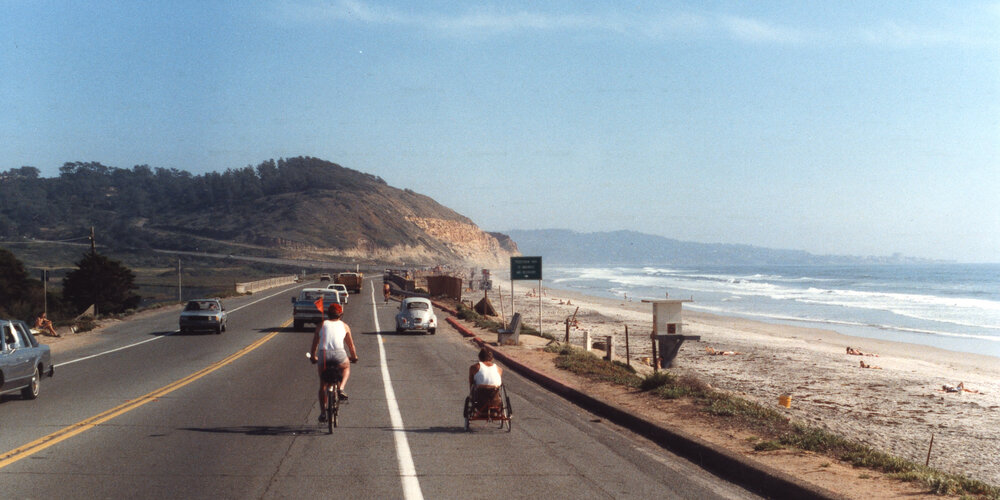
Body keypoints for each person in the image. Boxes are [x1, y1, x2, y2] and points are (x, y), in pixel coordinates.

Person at [310, 303, 358, 422]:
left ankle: (322, 413)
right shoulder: (345, 326)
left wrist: (313, 357)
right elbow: (351, 346)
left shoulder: (321, 325)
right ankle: (341, 388)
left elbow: (315, 344)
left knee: (322, 385)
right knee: (346, 368)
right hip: (339, 354)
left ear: (327, 314)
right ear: (340, 315)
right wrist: (354, 357)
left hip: (324, 354)